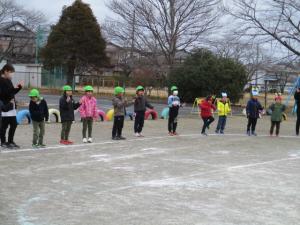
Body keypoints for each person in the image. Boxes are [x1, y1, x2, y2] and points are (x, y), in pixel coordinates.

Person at [0, 64, 23, 149]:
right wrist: (8, 101)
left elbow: (11, 92)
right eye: (11, 72)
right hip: (5, 106)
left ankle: (10, 141)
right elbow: (4, 94)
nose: (11, 74)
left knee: (14, 124)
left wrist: (19, 88)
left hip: (11, 106)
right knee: (4, 126)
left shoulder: (8, 80)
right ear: (5, 71)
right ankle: (3, 142)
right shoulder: (1, 80)